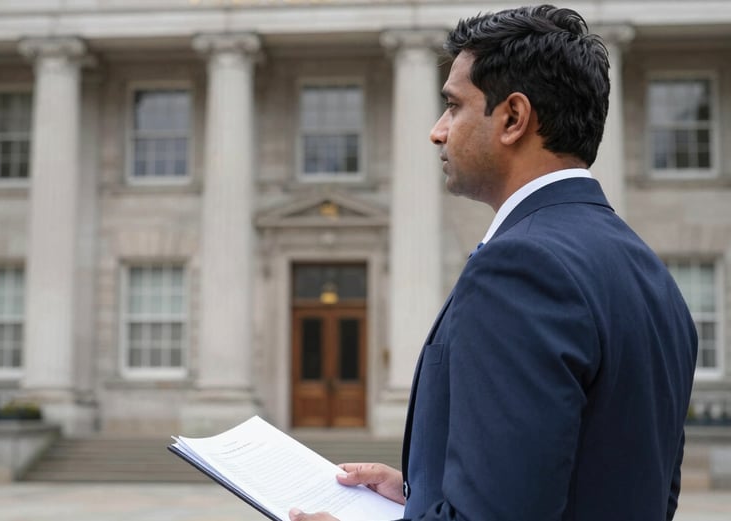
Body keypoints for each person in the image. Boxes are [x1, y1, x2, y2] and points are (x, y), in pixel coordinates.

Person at [290, 4, 698, 520]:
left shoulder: (520, 266)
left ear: (513, 118)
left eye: (455, 107)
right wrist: (425, 495)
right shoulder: (651, 275)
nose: (438, 131)